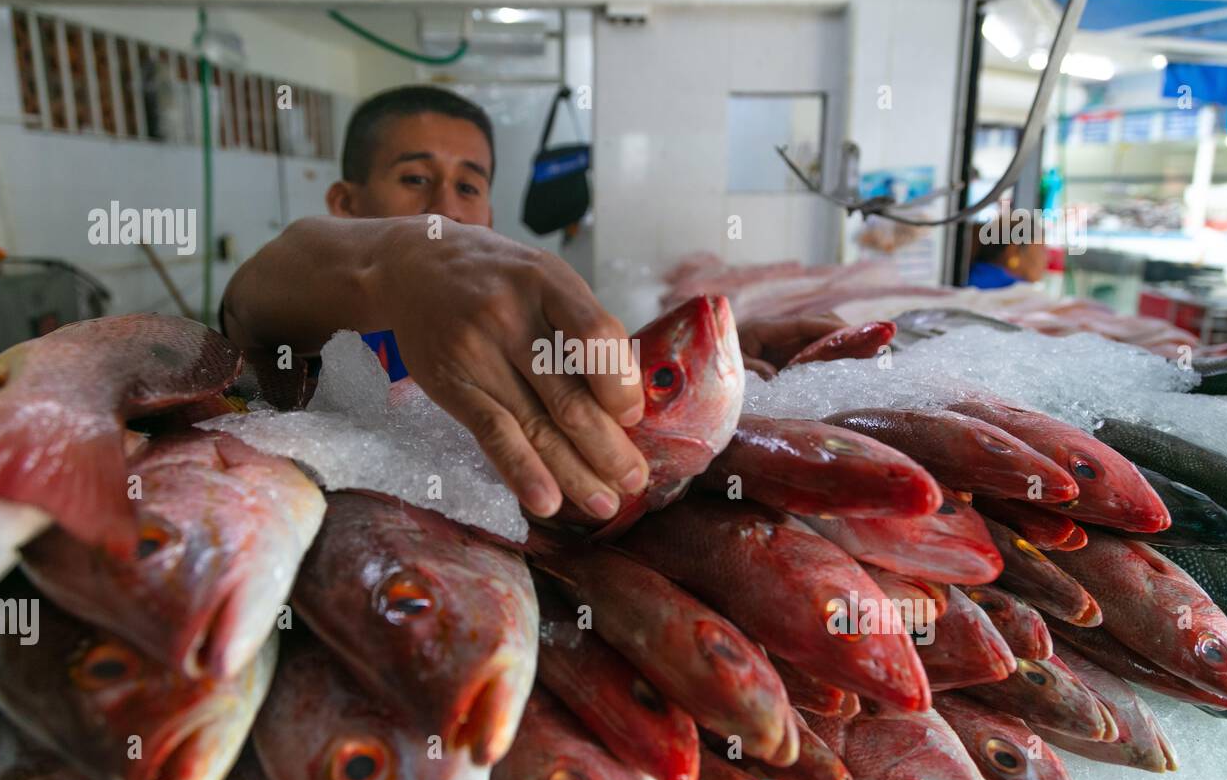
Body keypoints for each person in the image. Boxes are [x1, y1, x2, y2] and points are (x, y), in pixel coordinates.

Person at [222, 85, 837, 522]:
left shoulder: (519, 330)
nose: (445, 202)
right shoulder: (307, 301)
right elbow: (248, 303)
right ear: (344, 203)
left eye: (468, 185)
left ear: (488, 217)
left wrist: (713, 379)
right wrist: (397, 259)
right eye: (414, 177)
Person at [965, 218, 1047, 289]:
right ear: (1013, 250)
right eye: (1042, 249)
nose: (1046, 258)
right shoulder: (1010, 289)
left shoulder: (974, 274)